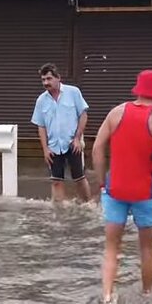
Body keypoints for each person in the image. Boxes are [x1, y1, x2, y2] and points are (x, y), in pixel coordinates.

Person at [91, 69, 152, 304]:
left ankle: (108, 297)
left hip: (116, 189)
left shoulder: (116, 112)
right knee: (146, 248)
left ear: (138, 89)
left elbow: (97, 149)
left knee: (111, 247)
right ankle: (146, 297)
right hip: (145, 191)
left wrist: (103, 182)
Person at [31, 63, 92, 202]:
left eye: (49, 79)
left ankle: (89, 205)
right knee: (56, 181)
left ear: (58, 78)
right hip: (54, 146)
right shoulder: (41, 100)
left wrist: (77, 138)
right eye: (43, 80)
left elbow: (83, 115)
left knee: (79, 178)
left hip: (71, 143)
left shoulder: (73, 92)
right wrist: (45, 149)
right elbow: (41, 126)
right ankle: (58, 212)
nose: (46, 83)